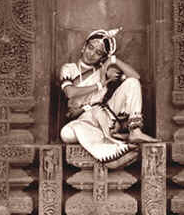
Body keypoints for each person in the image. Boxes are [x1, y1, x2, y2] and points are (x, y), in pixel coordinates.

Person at [60, 28, 158, 168]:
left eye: (98, 53)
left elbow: (136, 77)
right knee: (67, 133)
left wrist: (113, 60)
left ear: (102, 57)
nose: (92, 54)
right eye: (91, 47)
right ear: (84, 47)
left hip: (106, 116)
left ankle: (135, 131)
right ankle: (114, 151)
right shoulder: (68, 69)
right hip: (86, 119)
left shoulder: (104, 71)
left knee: (132, 83)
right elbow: (70, 92)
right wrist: (101, 84)